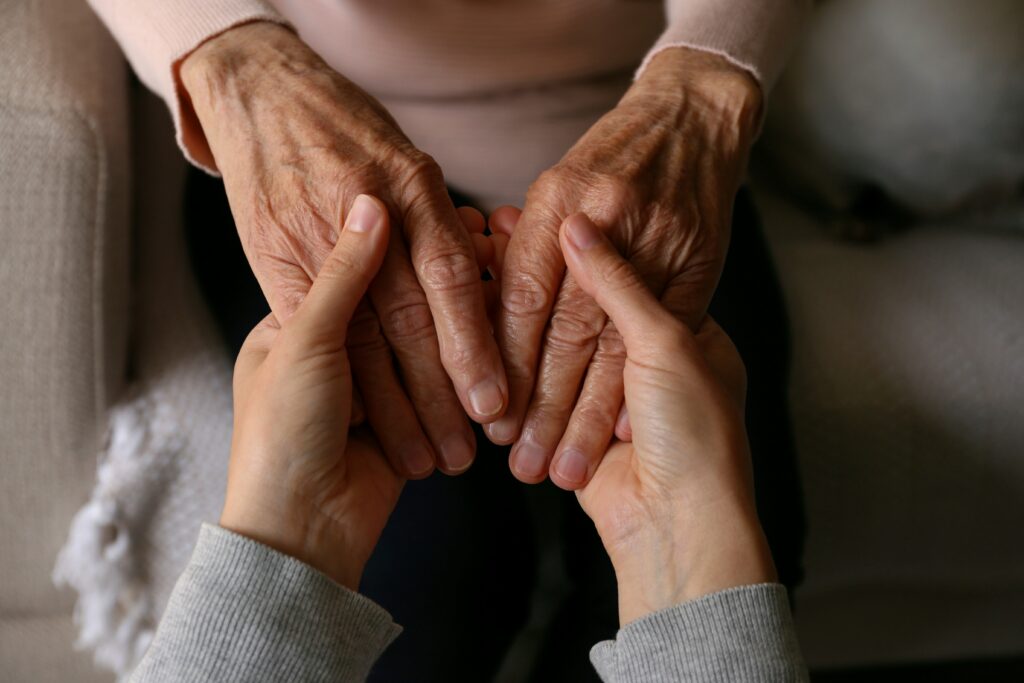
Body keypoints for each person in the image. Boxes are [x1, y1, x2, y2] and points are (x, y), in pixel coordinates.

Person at [88, 1, 808, 678]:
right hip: (308, 144)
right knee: (433, 573)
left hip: (650, 146)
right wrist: (237, 61)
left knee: (749, 525)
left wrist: (706, 88)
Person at [130, 195, 807, 682]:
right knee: (445, 574)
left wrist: (678, 531)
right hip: (333, 182)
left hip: (637, 194)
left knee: (765, 523)